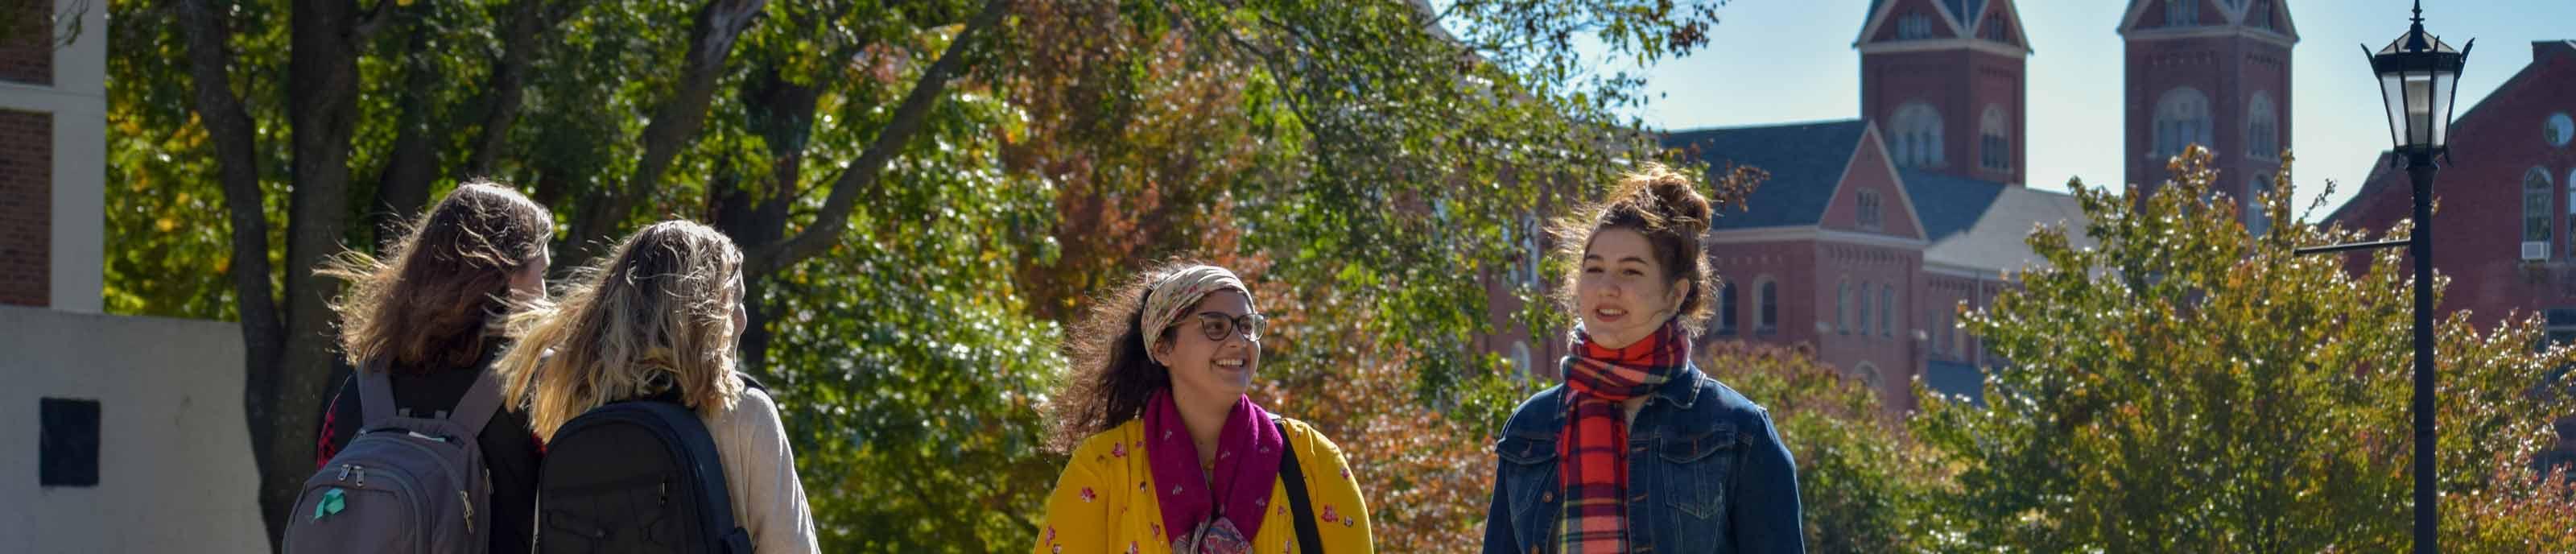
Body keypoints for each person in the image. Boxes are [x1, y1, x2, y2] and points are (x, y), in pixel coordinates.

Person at [1481, 164, 1804, 553]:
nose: (1607, 287)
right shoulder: (1530, 429)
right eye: (1594, 269)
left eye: (1631, 272)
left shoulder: (1738, 432)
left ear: (1675, 294)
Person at [493, 220, 819, 552]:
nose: (741, 318)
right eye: (733, 302)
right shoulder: (743, 412)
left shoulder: (579, 409)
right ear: (705, 316)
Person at [1037, 263, 1375, 553]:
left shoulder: (1312, 460)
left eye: (1246, 326)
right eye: (1215, 326)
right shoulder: (1104, 467)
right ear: (1162, 347)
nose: (1239, 341)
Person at [311, 180, 554, 553]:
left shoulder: (363, 384)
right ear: (505, 276)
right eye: (542, 274)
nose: (545, 295)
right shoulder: (535, 382)